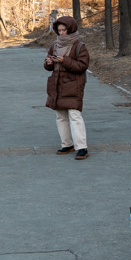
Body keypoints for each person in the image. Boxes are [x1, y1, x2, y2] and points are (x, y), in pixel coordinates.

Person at [44, 15, 90, 160]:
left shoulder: (79, 46)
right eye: (59, 30)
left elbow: (82, 66)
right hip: (57, 84)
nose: (61, 33)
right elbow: (47, 65)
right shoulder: (55, 45)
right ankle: (67, 144)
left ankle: (81, 147)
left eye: (64, 30)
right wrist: (49, 62)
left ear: (70, 29)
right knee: (60, 116)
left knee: (75, 115)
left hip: (73, 84)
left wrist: (64, 60)